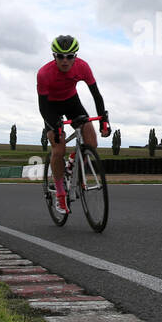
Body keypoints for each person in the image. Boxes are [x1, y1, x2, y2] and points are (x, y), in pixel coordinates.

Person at [37, 35, 110, 214]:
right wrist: (54, 127)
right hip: (51, 107)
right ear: (54, 56)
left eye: (70, 56)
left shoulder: (83, 67)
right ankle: (60, 194)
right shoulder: (44, 73)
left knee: (92, 142)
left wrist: (103, 119)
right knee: (58, 148)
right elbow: (43, 107)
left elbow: (96, 95)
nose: (65, 60)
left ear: (75, 56)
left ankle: (72, 160)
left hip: (71, 101)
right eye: (60, 56)